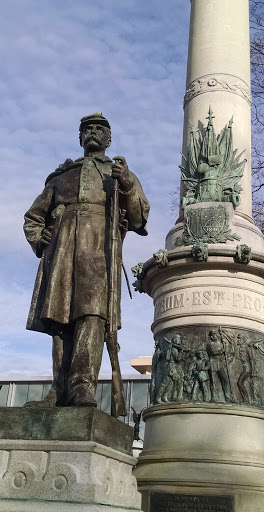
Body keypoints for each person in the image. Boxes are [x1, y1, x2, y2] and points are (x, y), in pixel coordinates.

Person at [24, 113, 149, 408]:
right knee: (60, 319)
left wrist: (128, 185)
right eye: (87, 129)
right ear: (80, 138)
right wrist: (39, 236)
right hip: (63, 251)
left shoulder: (119, 174)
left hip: (99, 251)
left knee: (91, 315)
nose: (93, 132)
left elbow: (140, 216)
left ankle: (82, 387)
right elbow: (33, 216)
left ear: (108, 139)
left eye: (99, 129)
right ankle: (58, 390)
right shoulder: (60, 177)